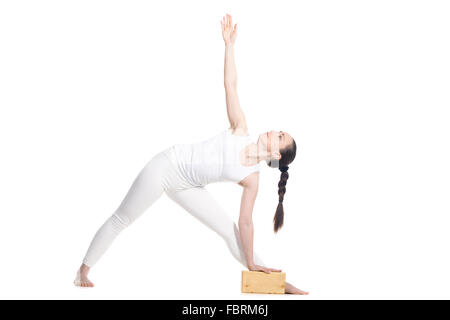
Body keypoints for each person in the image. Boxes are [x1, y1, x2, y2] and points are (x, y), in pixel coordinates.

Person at [74, 14, 309, 295]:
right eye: (279, 131)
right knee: (123, 218)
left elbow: (246, 223)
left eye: (279, 136)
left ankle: (278, 282)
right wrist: (229, 46)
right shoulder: (240, 128)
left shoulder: (252, 179)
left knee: (229, 230)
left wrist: (250, 263)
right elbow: (230, 86)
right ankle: (83, 271)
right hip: (166, 167)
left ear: (275, 154)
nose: (273, 131)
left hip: (188, 187)